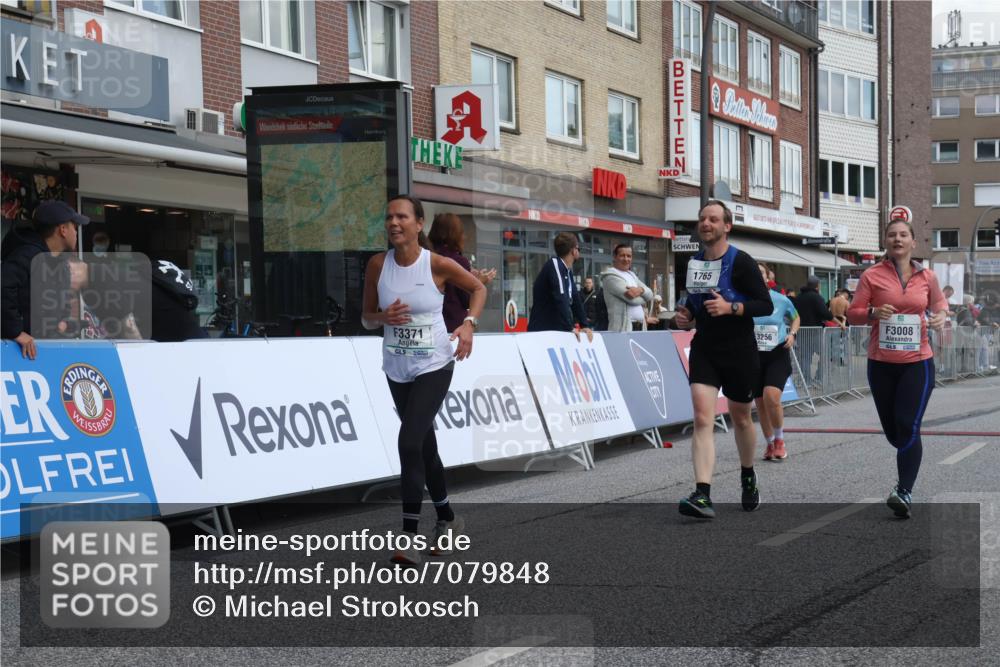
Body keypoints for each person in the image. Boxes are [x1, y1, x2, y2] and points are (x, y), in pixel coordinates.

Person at [362, 195, 486, 566]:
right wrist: (383, 318)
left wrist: (468, 324)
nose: (393, 222)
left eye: (402, 216)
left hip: (434, 363)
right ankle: (448, 519)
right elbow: (366, 318)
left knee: (410, 439)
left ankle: (409, 536)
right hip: (396, 366)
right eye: (389, 217)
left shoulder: (437, 264)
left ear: (419, 224)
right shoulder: (376, 265)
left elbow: (478, 289)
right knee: (424, 445)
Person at [672, 200, 773, 519]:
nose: (706, 224)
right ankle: (702, 494)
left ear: (726, 226)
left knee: (741, 417)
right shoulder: (693, 263)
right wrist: (686, 314)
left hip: (739, 349)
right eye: (702, 219)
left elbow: (764, 305)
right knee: (703, 417)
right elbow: (693, 302)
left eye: (713, 219)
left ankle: (747, 473)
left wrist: (733, 308)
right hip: (705, 347)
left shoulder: (741, 262)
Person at [847, 216, 948, 518]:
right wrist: (874, 312)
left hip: (918, 363)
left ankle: (904, 490)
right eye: (892, 235)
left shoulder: (927, 276)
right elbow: (853, 314)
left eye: (904, 235)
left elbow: (940, 305)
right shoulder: (872, 276)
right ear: (886, 242)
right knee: (894, 432)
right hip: (881, 364)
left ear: (913, 242)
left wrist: (942, 316)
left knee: (908, 424)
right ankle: (904, 472)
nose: (898, 239)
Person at [1, 200, 89, 359]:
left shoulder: (61, 264)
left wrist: (61, 324)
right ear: (63, 230)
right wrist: (15, 332)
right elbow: (3, 288)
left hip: (43, 352)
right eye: (74, 227)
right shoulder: (26, 255)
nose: (76, 233)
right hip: (16, 355)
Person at [752, 262, 801, 461]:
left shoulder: (781, 300)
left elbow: (796, 317)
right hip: (753, 356)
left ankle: (780, 440)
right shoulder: (743, 300)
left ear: (767, 277)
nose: (757, 275)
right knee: (761, 403)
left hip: (777, 353)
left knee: (771, 396)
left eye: (761, 272)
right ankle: (770, 443)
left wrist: (793, 334)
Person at [427, 212, 495, 332]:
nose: (464, 237)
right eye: (461, 233)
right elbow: (466, 301)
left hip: (428, 326)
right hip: (452, 327)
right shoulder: (458, 260)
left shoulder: (426, 257)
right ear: (454, 235)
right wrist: (479, 282)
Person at [526, 232, 593, 340]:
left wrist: (584, 325)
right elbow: (561, 297)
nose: (578, 251)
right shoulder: (555, 265)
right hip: (542, 331)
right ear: (573, 250)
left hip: (555, 330)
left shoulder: (567, 271)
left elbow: (575, 300)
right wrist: (569, 327)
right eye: (578, 248)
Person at [600, 244, 655, 332]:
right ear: (615, 257)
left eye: (629, 256)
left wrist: (640, 290)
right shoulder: (610, 276)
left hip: (640, 327)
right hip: (622, 330)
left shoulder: (632, 275)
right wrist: (645, 295)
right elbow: (632, 300)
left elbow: (650, 294)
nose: (626, 259)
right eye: (622, 255)